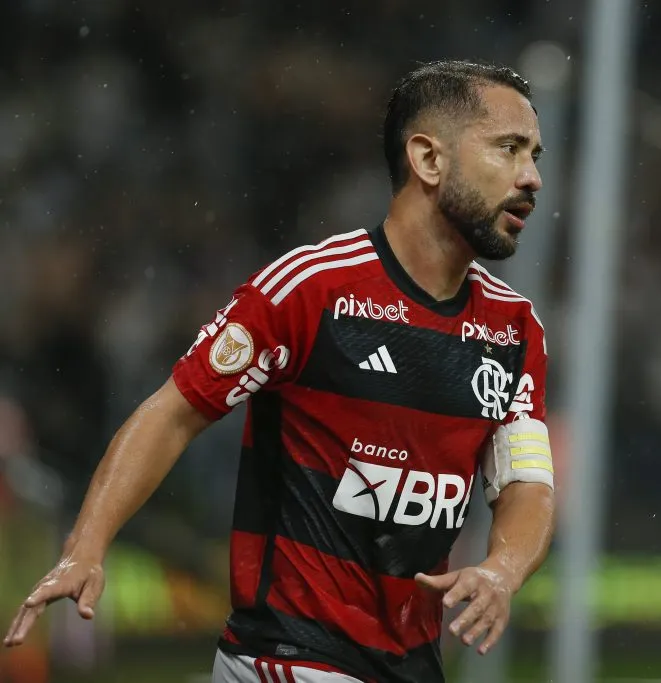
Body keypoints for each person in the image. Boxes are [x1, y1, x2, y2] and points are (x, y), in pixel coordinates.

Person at [4, 60, 556, 683]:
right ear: (428, 160)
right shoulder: (310, 289)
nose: (532, 177)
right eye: (508, 148)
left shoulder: (515, 329)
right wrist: (86, 546)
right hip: (288, 657)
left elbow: (525, 483)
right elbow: (174, 413)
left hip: (409, 664)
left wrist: (501, 570)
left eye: (535, 154)